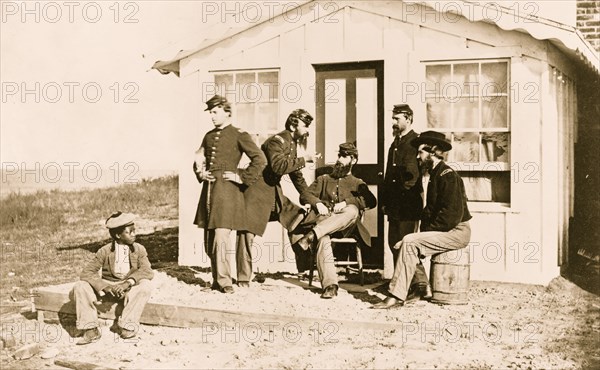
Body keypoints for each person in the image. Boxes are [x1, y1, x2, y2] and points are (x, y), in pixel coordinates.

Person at [373, 131, 472, 309]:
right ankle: (417, 288)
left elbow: (450, 217)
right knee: (409, 241)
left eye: (420, 153)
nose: (418, 158)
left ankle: (396, 295)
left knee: (410, 242)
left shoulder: (447, 176)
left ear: (432, 152)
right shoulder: (435, 175)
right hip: (448, 230)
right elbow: (431, 213)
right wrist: (421, 237)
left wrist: (421, 238)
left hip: (457, 231)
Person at [193, 95, 266, 293]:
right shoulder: (208, 136)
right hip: (208, 192)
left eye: (215, 112)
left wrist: (241, 177)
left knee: (220, 237)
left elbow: (260, 159)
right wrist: (201, 172)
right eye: (210, 112)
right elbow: (198, 156)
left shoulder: (239, 134)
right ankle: (217, 280)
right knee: (209, 241)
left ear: (227, 112)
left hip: (227, 193)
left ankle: (225, 282)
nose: (212, 116)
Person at [240, 109, 321, 282]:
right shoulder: (276, 142)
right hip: (257, 193)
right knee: (247, 234)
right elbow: (278, 167)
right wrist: (304, 160)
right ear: (293, 125)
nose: (307, 130)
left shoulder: (291, 144)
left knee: (298, 218)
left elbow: (297, 177)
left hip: (274, 193)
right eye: (305, 126)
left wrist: (313, 200)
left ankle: (304, 270)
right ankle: (243, 278)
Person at [290, 143, 377, 299]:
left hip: (346, 227)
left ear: (353, 160)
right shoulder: (324, 179)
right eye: (339, 155)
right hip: (325, 225)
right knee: (322, 237)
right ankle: (330, 285)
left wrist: (347, 202)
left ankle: (310, 236)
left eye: (344, 157)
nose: (339, 160)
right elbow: (304, 195)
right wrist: (317, 203)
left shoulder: (357, 182)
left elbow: (371, 200)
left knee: (352, 210)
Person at [73, 212, 154, 345]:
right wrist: (105, 287)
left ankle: (127, 326)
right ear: (118, 235)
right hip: (107, 289)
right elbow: (87, 273)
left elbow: (147, 270)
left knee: (145, 285)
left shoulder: (139, 249)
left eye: (134, 231)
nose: (134, 234)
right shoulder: (104, 251)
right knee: (80, 286)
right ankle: (90, 329)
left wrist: (128, 283)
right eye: (130, 232)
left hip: (128, 289)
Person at [381, 104, 430, 301]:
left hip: (408, 205)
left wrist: (398, 198)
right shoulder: (396, 143)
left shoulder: (416, 142)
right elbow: (388, 175)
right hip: (395, 205)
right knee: (394, 243)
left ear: (408, 119)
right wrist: (386, 201)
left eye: (397, 119)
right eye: (393, 118)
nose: (393, 122)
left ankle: (415, 285)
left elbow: (412, 177)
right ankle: (419, 284)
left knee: (405, 245)